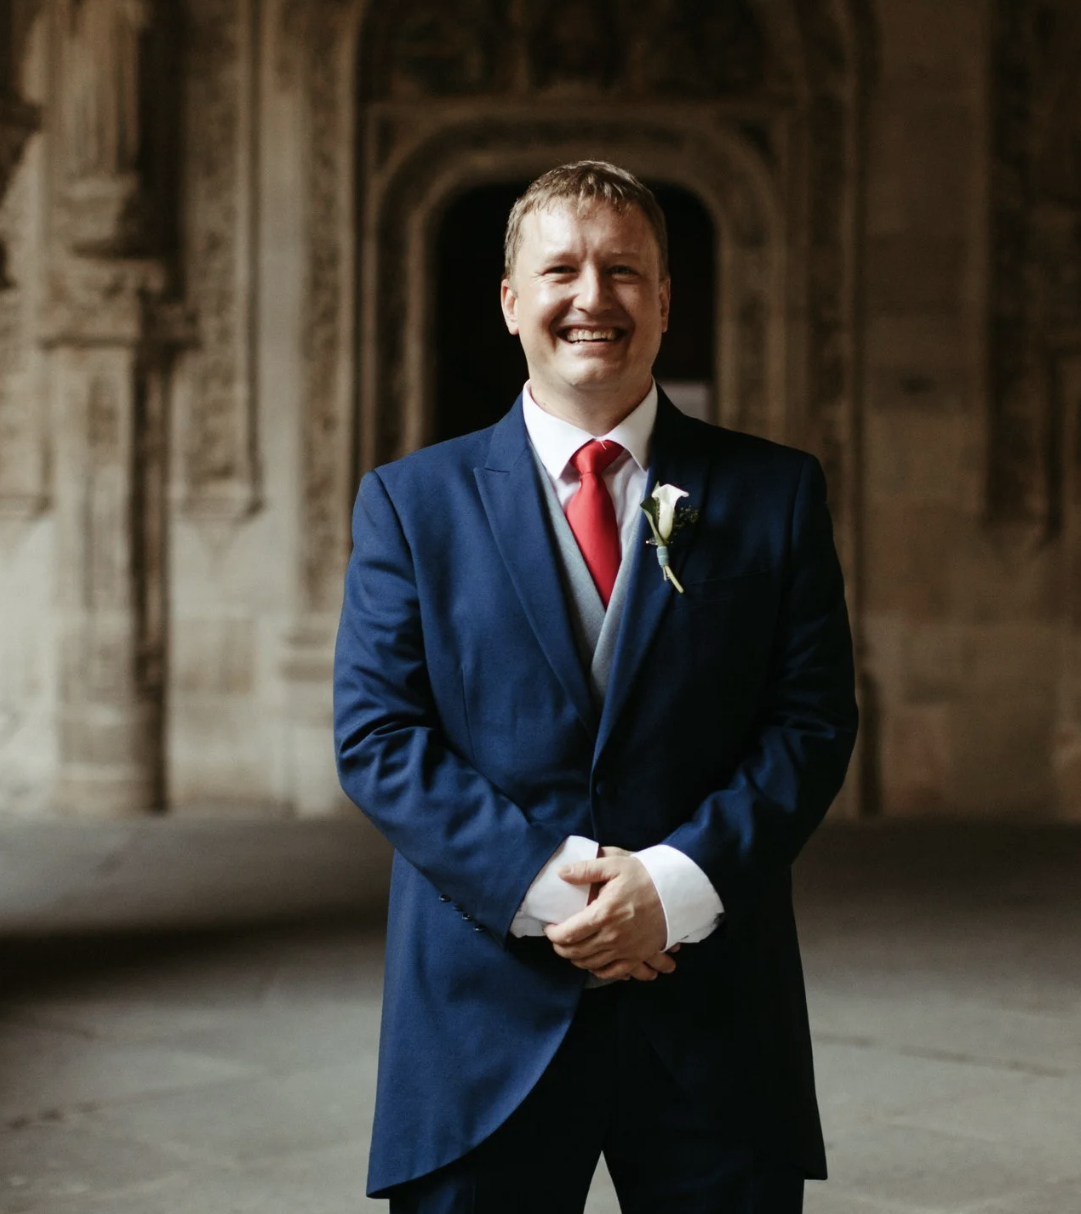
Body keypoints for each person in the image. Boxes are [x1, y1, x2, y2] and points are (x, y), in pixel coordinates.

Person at [334, 160, 858, 1211]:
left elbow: (808, 722)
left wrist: (672, 887)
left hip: (710, 1006)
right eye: (561, 269)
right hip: (483, 1012)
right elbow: (379, 736)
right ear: (509, 300)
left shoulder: (773, 492)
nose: (592, 298)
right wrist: (550, 890)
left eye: (624, 271)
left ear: (664, 301)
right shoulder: (409, 503)